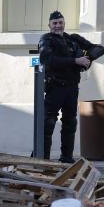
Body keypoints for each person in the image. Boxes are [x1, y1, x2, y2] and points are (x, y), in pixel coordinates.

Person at [38, 10, 99, 163]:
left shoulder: (73, 39)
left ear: (64, 24)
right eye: (55, 23)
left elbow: (97, 48)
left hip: (72, 88)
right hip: (55, 87)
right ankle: (42, 160)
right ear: (49, 25)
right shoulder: (46, 39)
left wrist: (87, 60)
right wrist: (75, 61)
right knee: (48, 123)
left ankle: (66, 158)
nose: (58, 26)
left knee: (70, 122)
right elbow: (48, 59)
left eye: (60, 22)